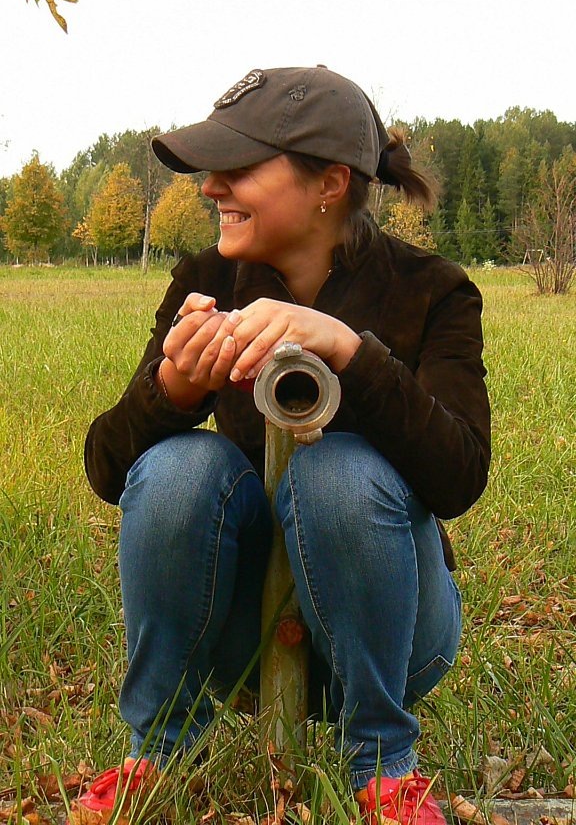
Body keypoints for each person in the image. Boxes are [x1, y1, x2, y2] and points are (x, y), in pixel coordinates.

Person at [73, 66, 490, 825]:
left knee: (341, 471)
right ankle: (156, 754)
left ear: (329, 183)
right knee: (177, 467)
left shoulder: (433, 289)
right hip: (239, 640)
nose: (210, 187)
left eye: (237, 168)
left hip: (396, 635)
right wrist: (173, 390)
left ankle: (384, 770)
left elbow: (460, 476)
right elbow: (107, 468)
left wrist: (352, 353)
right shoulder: (206, 279)